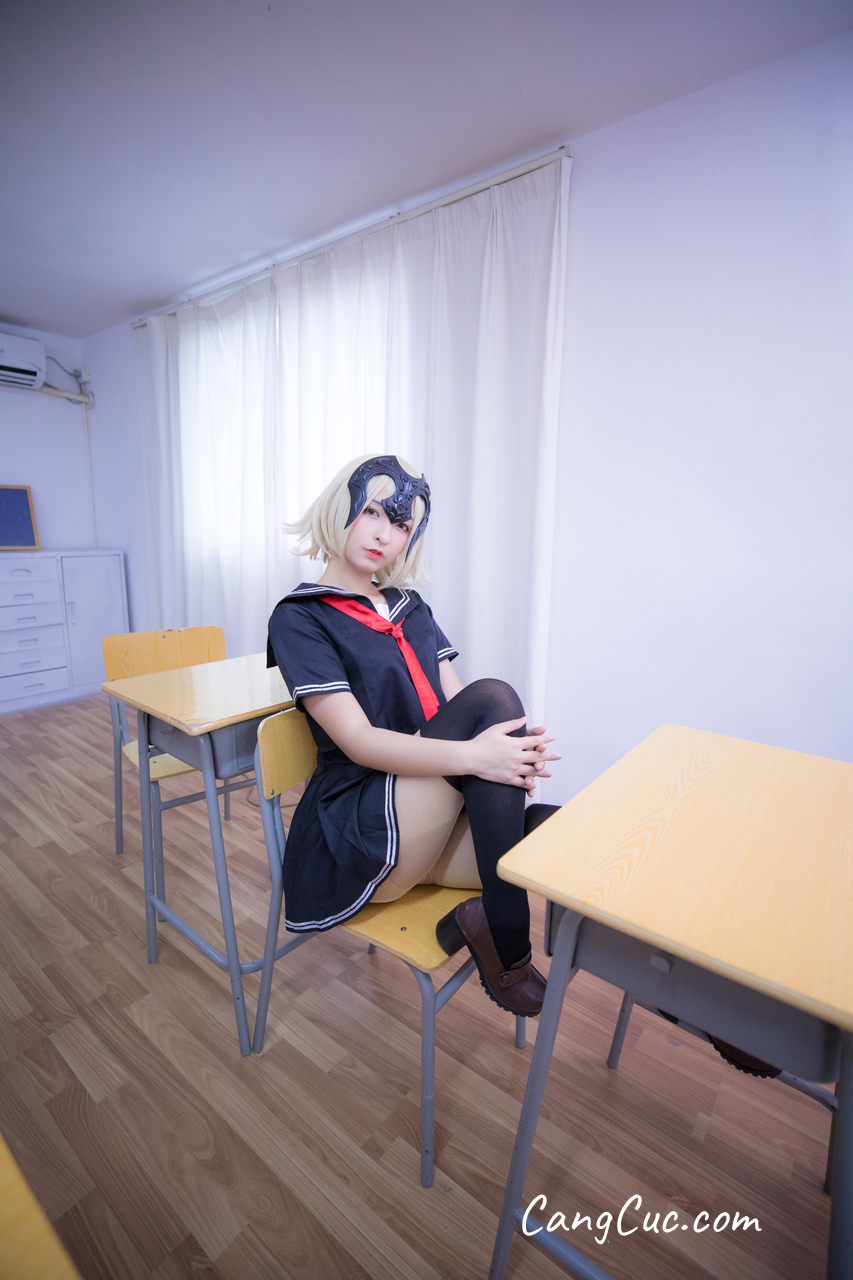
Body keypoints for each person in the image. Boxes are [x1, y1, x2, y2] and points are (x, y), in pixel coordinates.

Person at [266, 454, 561, 1016]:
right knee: (495, 698)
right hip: (364, 823)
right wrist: (479, 755)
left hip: (427, 819)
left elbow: (457, 706)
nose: (384, 533)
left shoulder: (411, 607)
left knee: (567, 836)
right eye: (373, 511)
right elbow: (358, 741)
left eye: (401, 523)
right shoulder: (300, 617)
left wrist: (507, 755)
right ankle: (510, 945)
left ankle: (703, 995)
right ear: (341, 507)